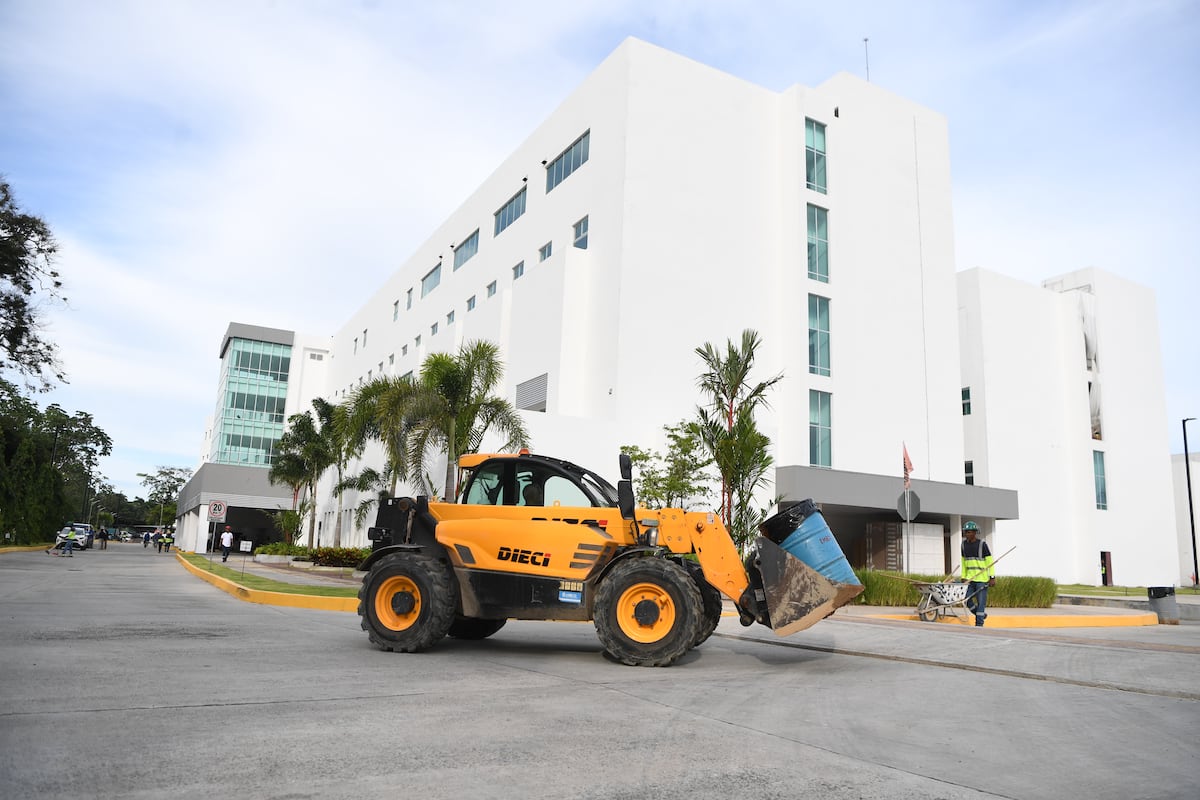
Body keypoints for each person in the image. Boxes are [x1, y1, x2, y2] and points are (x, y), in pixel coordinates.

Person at [961, 521, 995, 627]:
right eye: (965, 532)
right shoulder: (963, 545)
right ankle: (980, 615)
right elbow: (963, 562)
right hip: (970, 579)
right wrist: (963, 576)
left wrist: (992, 577)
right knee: (966, 600)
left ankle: (979, 624)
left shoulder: (982, 545)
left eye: (969, 532)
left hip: (982, 579)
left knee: (981, 603)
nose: (967, 534)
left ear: (975, 533)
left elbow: (990, 562)